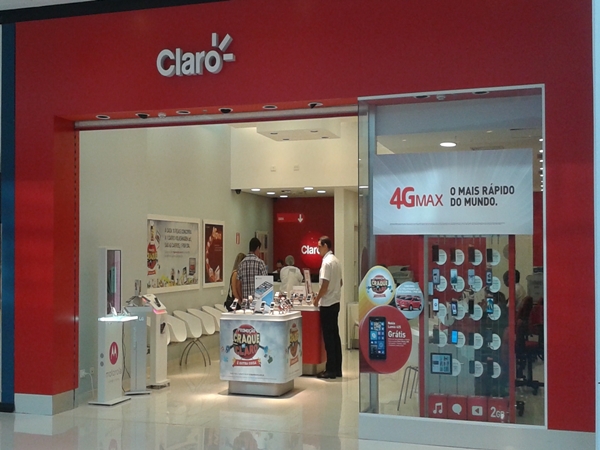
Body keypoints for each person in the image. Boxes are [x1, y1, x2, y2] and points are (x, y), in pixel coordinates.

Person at [313, 236, 343, 379]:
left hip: (327, 304)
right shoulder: (336, 261)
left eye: (319, 246)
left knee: (329, 338)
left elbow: (324, 285)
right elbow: (340, 282)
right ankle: (337, 368)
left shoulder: (326, 263)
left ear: (325, 246)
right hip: (336, 302)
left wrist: (316, 299)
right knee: (335, 337)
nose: (318, 249)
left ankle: (330, 370)